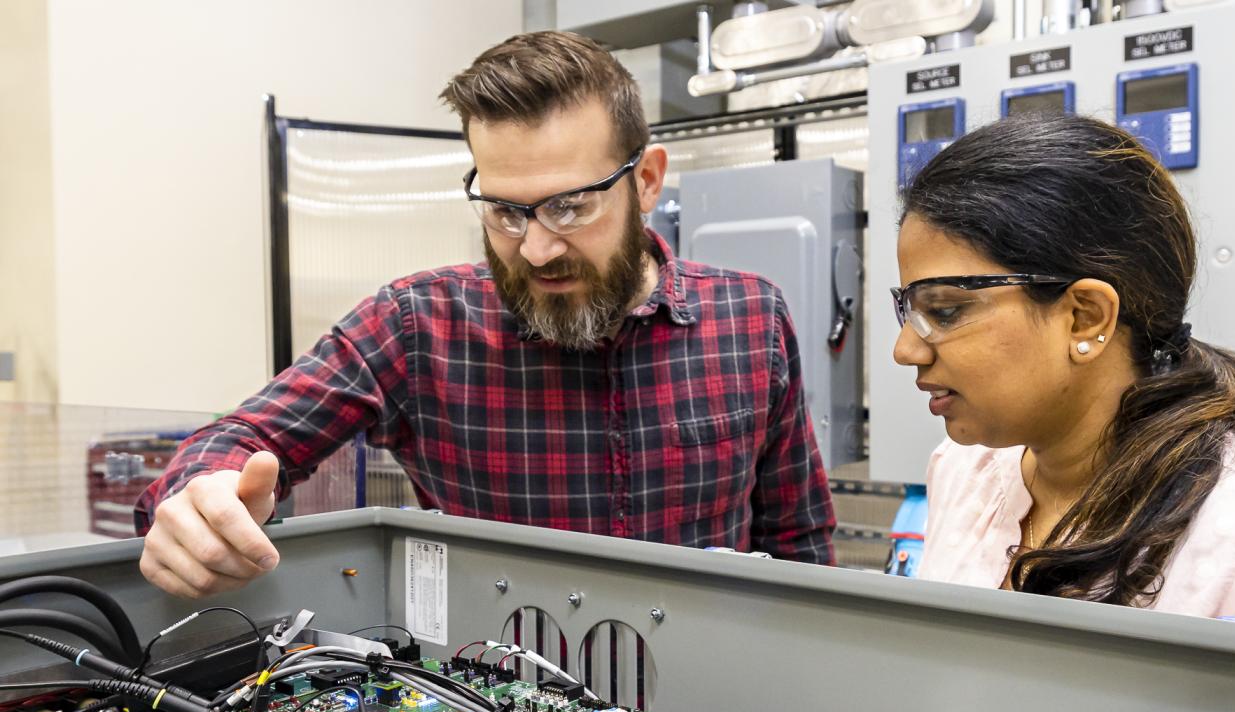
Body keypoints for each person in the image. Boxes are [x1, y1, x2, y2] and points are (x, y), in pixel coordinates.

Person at [136, 31, 835, 598]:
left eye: (570, 205)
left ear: (646, 180)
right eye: (504, 210)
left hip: (722, 709)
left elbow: (799, 543)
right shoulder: (421, 326)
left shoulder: (749, 317)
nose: (536, 248)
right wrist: (201, 495)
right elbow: (244, 436)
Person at [892, 112, 1235, 643]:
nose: (905, 350)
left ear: (1086, 316)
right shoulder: (965, 473)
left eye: (945, 310)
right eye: (908, 309)